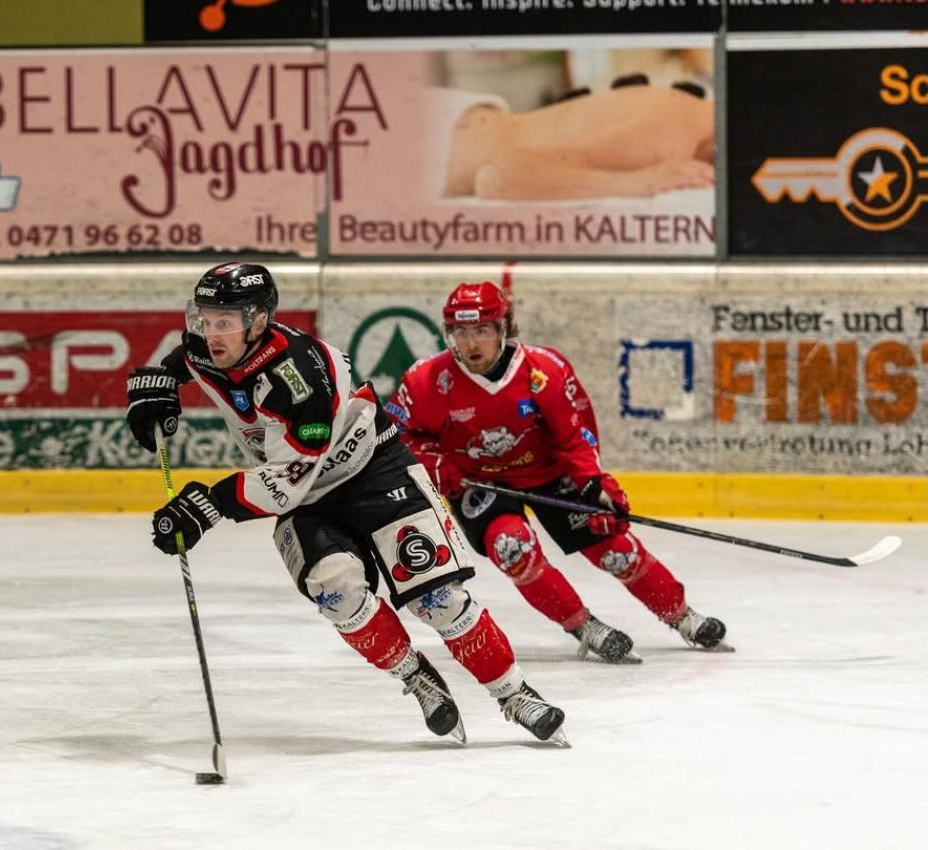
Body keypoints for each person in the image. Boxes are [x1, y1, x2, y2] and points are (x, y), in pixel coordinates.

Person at [125, 262, 568, 744]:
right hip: (310, 499)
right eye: (206, 319)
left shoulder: (299, 378)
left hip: (373, 471)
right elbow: (185, 360)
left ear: (258, 322)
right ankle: (415, 675)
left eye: (225, 322)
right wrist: (159, 386)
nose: (212, 333)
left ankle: (514, 694)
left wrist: (208, 505)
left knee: (438, 599)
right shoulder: (209, 347)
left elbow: (290, 480)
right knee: (337, 592)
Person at [387, 281, 728, 663]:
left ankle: (681, 615)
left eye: (481, 330)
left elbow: (575, 437)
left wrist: (595, 485)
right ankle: (584, 627)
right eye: (461, 332)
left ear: (503, 328)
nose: (471, 344)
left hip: (548, 474)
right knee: (512, 548)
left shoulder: (544, 370)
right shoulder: (426, 380)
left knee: (614, 548)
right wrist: (434, 464)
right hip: (479, 484)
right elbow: (397, 435)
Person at [431, 75, 715, 202]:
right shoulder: (673, 136)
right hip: (439, 141)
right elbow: (497, 178)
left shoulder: (687, 115)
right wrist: (644, 182)